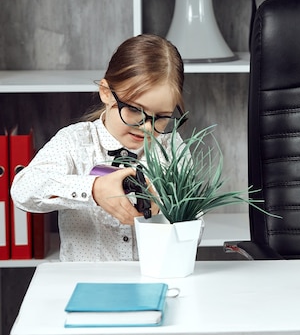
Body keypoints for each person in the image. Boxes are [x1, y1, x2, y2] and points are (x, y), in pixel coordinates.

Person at [11, 34, 187, 262]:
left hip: (153, 280)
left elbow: (194, 228)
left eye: (162, 117)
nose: (146, 127)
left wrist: (165, 214)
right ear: (106, 92)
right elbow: (22, 191)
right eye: (134, 110)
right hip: (86, 285)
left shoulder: (172, 148)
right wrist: (92, 189)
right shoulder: (75, 142)